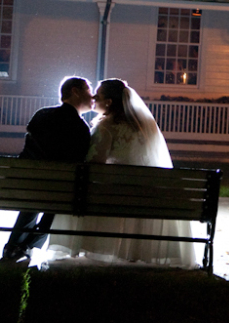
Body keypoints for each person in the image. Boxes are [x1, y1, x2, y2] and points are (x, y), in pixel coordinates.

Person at [48, 78, 198, 268]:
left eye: (98, 95)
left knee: (79, 192)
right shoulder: (144, 126)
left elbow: (94, 164)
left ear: (108, 102)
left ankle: (81, 245)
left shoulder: (106, 127)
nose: (93, 98)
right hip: (147, 194)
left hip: (118, 194)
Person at [1, 76, 92, 261]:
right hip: (58, 189)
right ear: (75, 91)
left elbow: (29, 151)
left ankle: (13, 247)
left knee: (33, 200)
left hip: (29, 183)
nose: (93, 96)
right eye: (89, 91)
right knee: (55, 205)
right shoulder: (80, 127)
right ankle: (27, 247)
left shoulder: (42, 115)